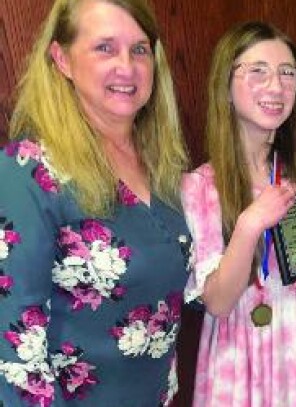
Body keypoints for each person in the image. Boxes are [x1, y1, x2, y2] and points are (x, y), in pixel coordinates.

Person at [0, 0, 192, 405]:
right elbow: (14, 347)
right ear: (61, 59)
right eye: (105, 47)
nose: (127, 66)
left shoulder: (161, 164)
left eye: (140, 49)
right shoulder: (27, 173)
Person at [180, 21, 296, 407]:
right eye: (257, 71)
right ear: (225, 86)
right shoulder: (201, 186)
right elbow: (218, 303)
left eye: (287, 73)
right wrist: (249, 224)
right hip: (237, 359)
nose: (276, 87)